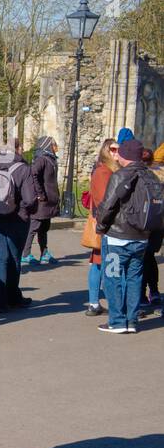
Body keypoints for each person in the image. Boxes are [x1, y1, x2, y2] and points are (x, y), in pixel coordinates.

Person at [95, 138, 155, 334]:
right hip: (141, 238)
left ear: (125, 156)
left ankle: (118, 321)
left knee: (112, 277)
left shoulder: (120, 176)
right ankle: (131, 320)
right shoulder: (151, 176)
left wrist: (101, 226)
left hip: (117, 238)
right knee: (134, 278)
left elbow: (108, 205)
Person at [0, 146, 39, 314]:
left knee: (0, 258)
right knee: (14, 258)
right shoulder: (23, 169)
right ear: (16, 151)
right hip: (17, 218)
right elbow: (29, 199)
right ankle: (13, 298)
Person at [85, 139, 119, 316]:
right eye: (112, 149)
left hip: (104, 223)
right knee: (105, 264)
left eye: (118, 150)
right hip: (105, 225)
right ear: (106, 151)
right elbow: (105, 201)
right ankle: (106, 303)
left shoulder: (108, 170)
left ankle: (94, 303)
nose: (116, 153)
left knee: (99, 263)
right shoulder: (103, 172)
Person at [22, 137, 61, 265]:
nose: (56, 147)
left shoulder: (50, 159)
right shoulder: (41, 159)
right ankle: (25, 254)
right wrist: (40, 193)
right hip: (41, 203)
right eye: (54, 145)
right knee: (33, 228)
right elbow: (33, 174)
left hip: (49, 202)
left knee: (44, 228)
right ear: (49, 146)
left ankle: (44, 254)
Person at [144, 148, 164, 307]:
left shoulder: (142, 176)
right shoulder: (161, 175)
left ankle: (141, 294)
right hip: (159, 223)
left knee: (141, 258)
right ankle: (154, 292)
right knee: (149, 256)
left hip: (143, 222)